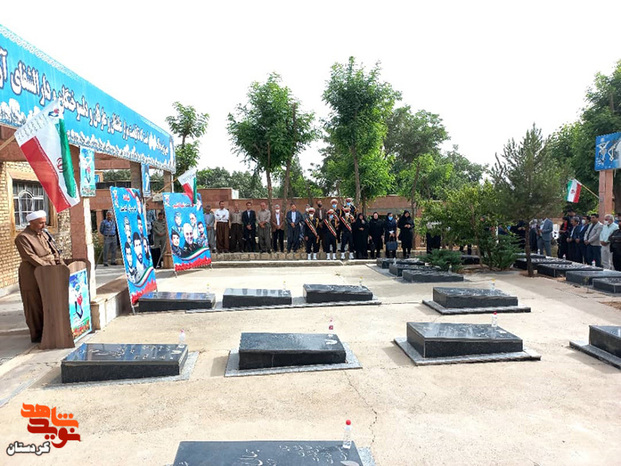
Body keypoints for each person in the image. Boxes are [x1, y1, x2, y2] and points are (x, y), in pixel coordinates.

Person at [14, 210, 63, 343]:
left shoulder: (44, 234)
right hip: (32, 274)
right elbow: (30, 257)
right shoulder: (23, 238)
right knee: (34, 304)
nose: (44, 225)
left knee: (50, 302)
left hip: (50, 272)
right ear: (31, 223)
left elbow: (54, 251)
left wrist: (61, 265)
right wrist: (49, 268)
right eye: (41, 223)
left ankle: (52, 331)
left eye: (44, 222)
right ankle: (38, 334)